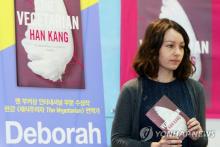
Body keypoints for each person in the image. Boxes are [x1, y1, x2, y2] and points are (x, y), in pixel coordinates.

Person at [111, 18, 208, 147]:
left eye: (182, 47)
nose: (177, 53)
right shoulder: (132, 90)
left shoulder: (195, 89)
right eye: (170, 46)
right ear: (153, 48)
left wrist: (198, 136)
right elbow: (117, 141)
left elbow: (202, 142)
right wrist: (154, 146)